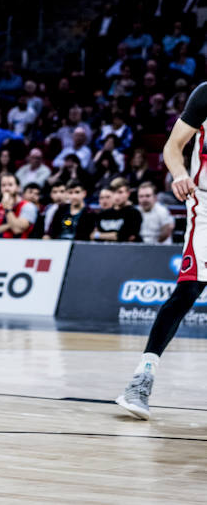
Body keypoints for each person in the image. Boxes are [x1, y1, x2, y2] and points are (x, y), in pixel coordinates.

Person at [116, 82, 207, 419]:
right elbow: (173, 146)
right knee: (188, 291)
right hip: (205, 205)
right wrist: (179, 173)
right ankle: (141, 380)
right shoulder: (205, 94)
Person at [0, 173, 37, 238]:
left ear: (18, 188)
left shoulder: (28, 206)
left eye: (10, 185)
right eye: (3, 185)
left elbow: (17, 229)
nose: (6, 188)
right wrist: (9, 225)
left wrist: (7, 209)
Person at [90, 178, 141, 242]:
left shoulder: (134, 213)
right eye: (114, 192)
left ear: (128, 193)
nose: (117, 196)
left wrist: (99, 235)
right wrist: (113, 235)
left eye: (120, 192)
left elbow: (124, 237)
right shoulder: (103, 214)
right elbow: (92, 235)